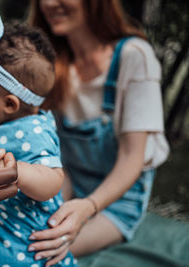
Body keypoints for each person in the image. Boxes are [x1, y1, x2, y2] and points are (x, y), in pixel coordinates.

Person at [26, 0, 170, 266]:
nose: (48, 3)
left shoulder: (134, 56)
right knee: (24, 237)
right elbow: (61, 158)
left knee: (36, 253)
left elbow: (131, 157)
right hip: (69, 185)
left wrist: (88, 207)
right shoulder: (53, 64)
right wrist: (55, 204)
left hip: (119, 202)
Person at [0, 15, 76, 266]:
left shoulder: (33, 132)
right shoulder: (2, 124)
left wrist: (16, 170)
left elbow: (53, 181)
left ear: (9, 104)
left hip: (23, 251)